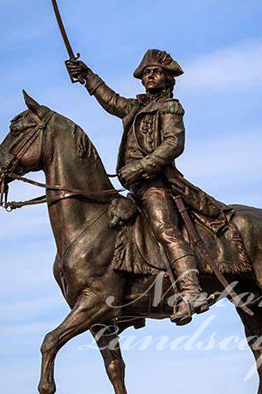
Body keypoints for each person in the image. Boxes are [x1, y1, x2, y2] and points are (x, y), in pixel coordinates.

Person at [67, 49, 206, 325]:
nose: (148, 77)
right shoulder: (134, 108)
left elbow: (173, 144)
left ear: (167, 78)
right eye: (145, 73)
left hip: (156, 184)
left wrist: (141, 167)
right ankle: (128, 304)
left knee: (164, 229)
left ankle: (192, 291)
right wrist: (86, 76)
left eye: (154, 72)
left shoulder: (170, 108)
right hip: (135, 189)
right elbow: (110, 100)